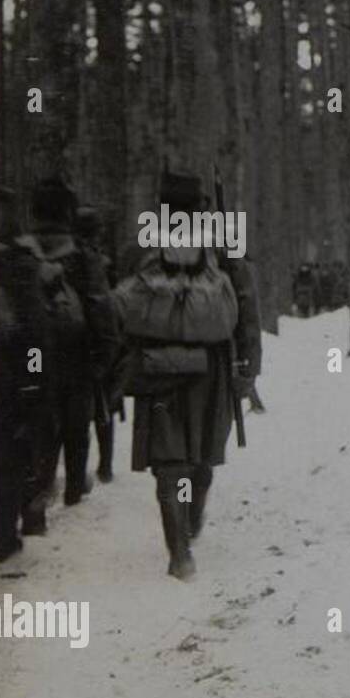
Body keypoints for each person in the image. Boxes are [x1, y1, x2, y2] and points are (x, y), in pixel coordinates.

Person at [112, 169, 260, 579]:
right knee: (202, 456)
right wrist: (249, 367)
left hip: (157, 368)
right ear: (200, 207)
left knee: (168, 460)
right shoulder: (221, 245)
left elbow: (118, 311)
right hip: (210, 368)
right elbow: (247, 307)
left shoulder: (140, 246)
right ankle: (191, 520)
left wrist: (121, 369)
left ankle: (179, 551)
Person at [24, 178, 117, 517]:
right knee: (75, 427)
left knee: (36, 423)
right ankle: (74, 493)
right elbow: (99, 306)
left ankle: (34, 502)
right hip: (74, 356)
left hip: (30, 357)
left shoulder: (21, 252)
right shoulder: (82, 256)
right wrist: (104, 356)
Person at [0, 184, 50, 560]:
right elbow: (34, 332)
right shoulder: (18, 264)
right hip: (6, 378)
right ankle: (3, 535)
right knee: (8, 456)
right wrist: (33, 380)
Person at [74, 205, 121, 483]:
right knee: (104, 405)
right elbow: (107, 299)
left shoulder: (67, 256)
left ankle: (92, 468)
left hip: (79, 340)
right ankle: (105, 465)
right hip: (94, 338)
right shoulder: (97, 261)